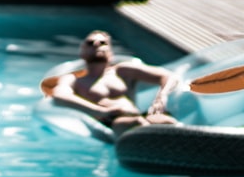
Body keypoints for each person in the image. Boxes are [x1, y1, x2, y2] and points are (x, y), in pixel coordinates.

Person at [49, 29, 178, 136]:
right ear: (82, 51)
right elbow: (59, 96)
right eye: (90, 43)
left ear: (110, 52)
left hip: (137, 115)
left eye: (102, 42)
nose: (96, 44)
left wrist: (161, 96)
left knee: (168, 122)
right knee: (136, 124)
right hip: (111, 121)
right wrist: (99, 111)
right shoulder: (75, 79)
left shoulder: (123, 71)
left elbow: (168, 76)